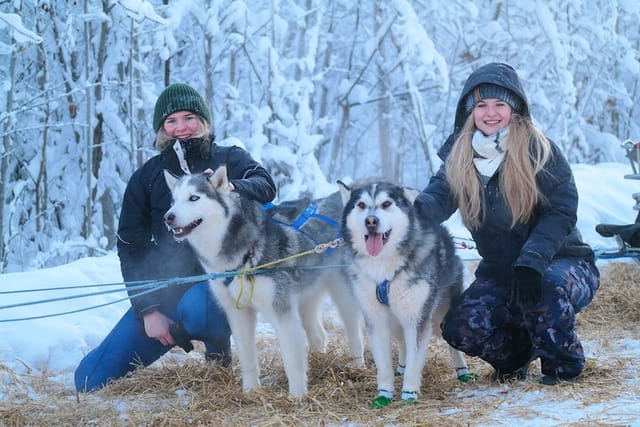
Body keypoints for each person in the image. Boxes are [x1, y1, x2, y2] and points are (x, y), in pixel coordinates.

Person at [75, 83, 276, 392]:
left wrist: (229, 188)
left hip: (218, 283)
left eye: (189, 117)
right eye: (171, 121)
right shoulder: (147, 176)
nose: (181, 127)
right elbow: (130, 247)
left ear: (204, 121)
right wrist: (148, 310)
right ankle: (173, 325)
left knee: (204, 312)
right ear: (162, 128)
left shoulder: (227, 158)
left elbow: (265, 185)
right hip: (165, 292)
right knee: (89, 380)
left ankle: (218, 353)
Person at [414, 62, 600, 386]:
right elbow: (438, 196)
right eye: (481, 105)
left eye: (500, 104)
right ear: (469, 110)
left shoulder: (539, 150)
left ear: (515, 109)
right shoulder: (460, 155)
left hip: (561, 262)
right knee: (460, 326)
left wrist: (533, 261)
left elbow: (562, 209)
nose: (490, 113)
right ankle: (516, 357)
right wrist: (409, 216)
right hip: (501, 271)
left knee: (545, 289)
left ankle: (562, 367)